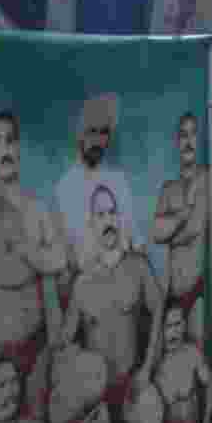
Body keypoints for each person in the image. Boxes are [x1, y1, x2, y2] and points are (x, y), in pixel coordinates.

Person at [58, 185, 165, 423]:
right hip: (98, 397)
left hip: (132, 383)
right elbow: (65, 343)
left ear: (119, 219)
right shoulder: (82, 283)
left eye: (112, 213)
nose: (108, 221)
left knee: (154, 411)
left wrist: (148, 367)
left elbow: (159, 308)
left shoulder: (136, 267)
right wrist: (79, 393)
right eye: (100, 215)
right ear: (91, 223)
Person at [0, 110, 67, 419]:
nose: (5, 149)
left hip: (36, 346)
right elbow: (1, 273)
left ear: (19, 148)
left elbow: (61, 259)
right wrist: (39, 258)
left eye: (10, 140)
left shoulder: (37, 207)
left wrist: (21, 248)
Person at [53, 93, 144, 284]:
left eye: (104, 132)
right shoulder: (65, 187)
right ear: (80, 134)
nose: (98, 141)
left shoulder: (119, 181)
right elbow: (65, 258)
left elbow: (136, 242)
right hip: (85, 289)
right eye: (92, 131)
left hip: (123, 285)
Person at [153, 112, 209, 347]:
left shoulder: (207, 179)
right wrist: (186, 210)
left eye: (193, 134)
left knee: (196, 355)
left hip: (197, 291)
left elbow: (194, 229)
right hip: (171, 294)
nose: (188, 141)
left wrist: (172, 228)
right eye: (183, 134)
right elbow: (156, 234)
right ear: (177, 142)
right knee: (171, 367)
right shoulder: (168, 189)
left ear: (200, 140)